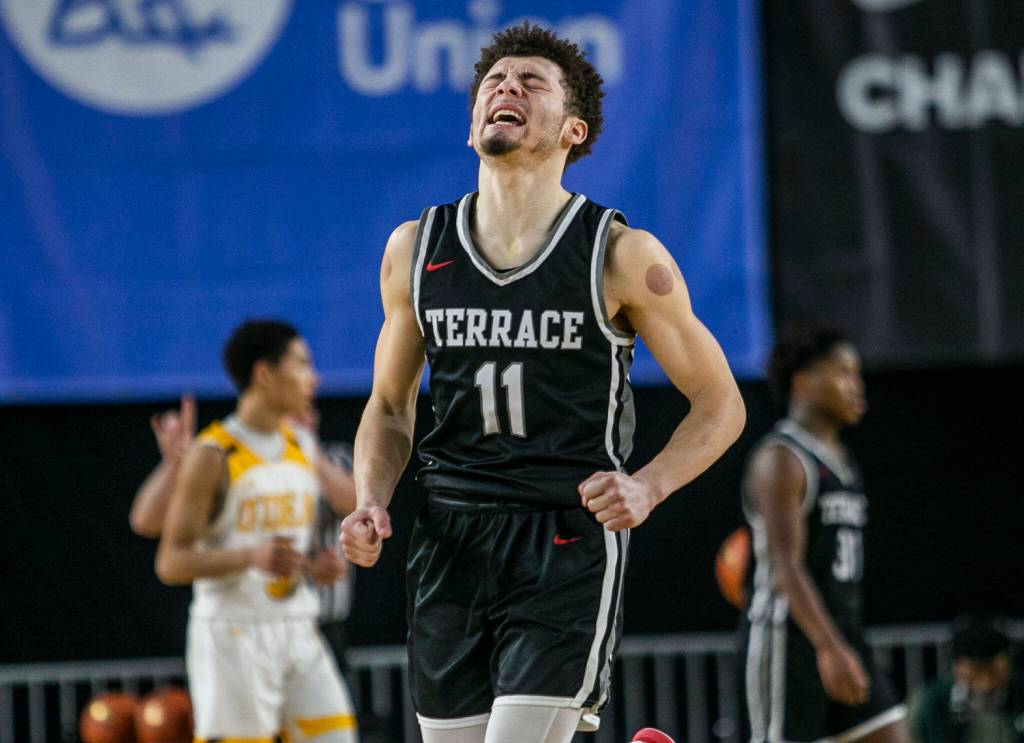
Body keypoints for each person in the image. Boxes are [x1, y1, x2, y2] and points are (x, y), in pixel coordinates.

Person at [340, 22, 745, 743]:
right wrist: (370, 498)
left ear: (573, 130)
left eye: (532, 82)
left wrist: (648, 485)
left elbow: (722, 403)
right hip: (450, 534)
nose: (507, 88)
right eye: (496, 81)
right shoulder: (414, 247)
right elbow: (392, 404)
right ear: (471, 127)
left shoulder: (620, 253)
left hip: (563, 534)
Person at [154, 319, 359, 742]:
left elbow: (285, 547)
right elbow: (170, 562)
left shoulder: (300, 446)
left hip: (299, 627)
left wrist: (311, 568)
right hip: (233, 634)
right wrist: (248, 557)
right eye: (302, 364)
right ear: (264, 374)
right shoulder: (213, 453)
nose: (314, 378)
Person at [740, 327, 907, 743]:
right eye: (844, 373)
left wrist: (840, 643)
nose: (857, 386)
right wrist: (828, 648)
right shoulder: (781, 457)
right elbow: (785, 564)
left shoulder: (842, 460)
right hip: (788, 639)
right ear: (803, 381)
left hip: (842, 632)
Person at [129, 396, 359, 675]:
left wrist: (304, 449)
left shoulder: (333, 458)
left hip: (315, 626)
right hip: (241, 627)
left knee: (330, 718)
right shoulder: (226, 462)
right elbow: (145, 522)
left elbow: (355, 503)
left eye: (305, 411)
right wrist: (176, 466)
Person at [908, 618, 1023, 743]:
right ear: (956, 668)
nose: (986, 684)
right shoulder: (931, 700)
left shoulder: (1018, 695)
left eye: (993, 673)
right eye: (976, 672)